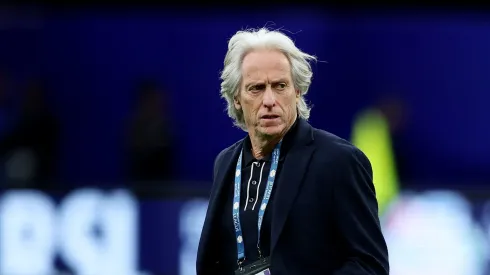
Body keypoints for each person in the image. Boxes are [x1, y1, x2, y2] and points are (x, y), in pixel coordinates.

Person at [197, 28, 389, 275]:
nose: (269, 100)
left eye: (280, 86)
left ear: (296, 91)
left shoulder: (339, 161)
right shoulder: (225, 163)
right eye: (256, 88)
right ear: (236, 98)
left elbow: (370, 265)